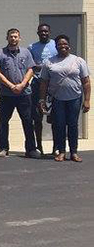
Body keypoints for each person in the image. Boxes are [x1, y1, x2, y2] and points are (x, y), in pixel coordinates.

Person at [39, 34, 91, 163]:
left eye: (65, 44)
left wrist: (87, 100)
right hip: (57, 99)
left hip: (74, 98)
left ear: (69, 45)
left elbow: (86, 82)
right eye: (59, 44)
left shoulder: (78, 61)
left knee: (73, 125)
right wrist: (42, 100)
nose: (63, 46)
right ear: (56, 47)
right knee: (59, 125)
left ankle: (74, 152)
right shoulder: (49, 62)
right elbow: (44, 82)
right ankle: (61, 151)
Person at [0, 28, 37, 158]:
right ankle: (3, 148)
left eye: (16, 36)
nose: (13, 39)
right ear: (7, 38)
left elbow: (30, 69)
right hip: (7, 94)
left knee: (28, 121)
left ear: (19, 38)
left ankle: (31, 149)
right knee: (4, 121)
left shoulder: (26, 52)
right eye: (11, 36)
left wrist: (22, 85)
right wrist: (11, 86)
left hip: (24, 93)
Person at [28, 24, 57, 157]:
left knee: (56, 118)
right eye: (41, 31)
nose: (43, 33)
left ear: (49, 32)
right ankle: (38, 146)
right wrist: (38, 67)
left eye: (46, 31)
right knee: (37, 118)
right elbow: (30, 65)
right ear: (37, 33)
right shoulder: (32, 47)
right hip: (37, 84)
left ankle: (56, 146)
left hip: (53, 86)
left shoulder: (56, 45)